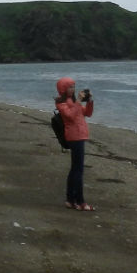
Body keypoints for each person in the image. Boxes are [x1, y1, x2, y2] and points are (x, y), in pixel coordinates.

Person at [54, 77, 95, 211]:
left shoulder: (72, 101)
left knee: (75, 170)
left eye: (73, 86)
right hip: (74, 137)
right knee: (78, 170)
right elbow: (70, 116)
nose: (73, 89)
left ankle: (70, 200)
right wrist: (78, 101)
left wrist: (89, 101)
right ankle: (80, 201)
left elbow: (87, 113)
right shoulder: (61, 103)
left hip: (80, 136)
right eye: (70, 87)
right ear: (63, 89)